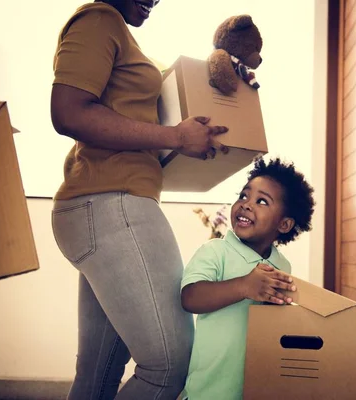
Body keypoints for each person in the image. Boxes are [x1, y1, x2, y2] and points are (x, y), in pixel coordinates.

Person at [50, 1, 227, 399]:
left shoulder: (120, 36)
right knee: (171, 364)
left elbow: (153, 108)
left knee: (98, 372)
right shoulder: (99, 20)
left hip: (106, 204)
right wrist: (176, 137)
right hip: (111, 203)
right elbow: (67, 112)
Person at [180, 157, 315, 400]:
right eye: (243, 196)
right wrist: (244, 286)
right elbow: (190, 298)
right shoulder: (216, 251)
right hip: (208, 391)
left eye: (262, 201)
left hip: (256, 387)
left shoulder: (282, 266)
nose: (246, 205)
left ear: (284, 224)